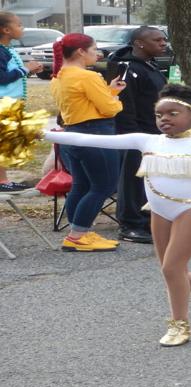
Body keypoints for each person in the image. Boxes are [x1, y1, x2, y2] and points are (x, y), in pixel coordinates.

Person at [45, 85, 191, 346]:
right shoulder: (145, 140)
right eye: (159, 115)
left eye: (172, 113)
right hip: (159, 210)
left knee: (171, 267)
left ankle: (179, 325)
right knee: (170, 267)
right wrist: (41, 134)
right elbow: (87, 139)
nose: (164, 119)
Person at [49, 33, 126, 252]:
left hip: (72, 134)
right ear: (81, 52)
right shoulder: (88, 76)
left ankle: (77, 231)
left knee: (81, 185)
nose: (97, 54)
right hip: (96, 134)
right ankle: (77, 236)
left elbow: (84, 103)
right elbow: (109, 109)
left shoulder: (58, 76)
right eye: (94, 49)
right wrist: (116, 100)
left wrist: (110, 91)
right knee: (104, 185)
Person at [103, 25, 168, 244]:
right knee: (133, 180)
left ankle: (148, 219)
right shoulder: (126, 68)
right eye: (157, 40)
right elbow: (124, 104)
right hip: (135, 134)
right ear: (139, 43)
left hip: (155, 132)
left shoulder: (150, 65)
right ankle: (130, 224)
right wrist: (132, 135)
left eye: (163, 40)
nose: (163, 43)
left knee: (151, 180)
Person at [0, 12, 46, 191]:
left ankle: (3, 180)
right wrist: (25, 69)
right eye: (19, 25)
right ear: (6, 30)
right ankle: (2, 181)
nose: (22, 28)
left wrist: (28, 71)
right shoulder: (1, 51)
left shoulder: (7, 49)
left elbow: (12, 75)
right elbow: (2, 78)